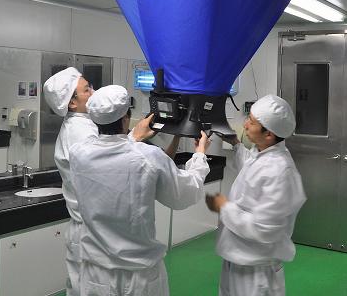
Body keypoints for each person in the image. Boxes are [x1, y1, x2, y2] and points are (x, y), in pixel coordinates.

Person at [69, 85, 211, 296]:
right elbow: (184, 194)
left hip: (95, 274)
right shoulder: (148, 157)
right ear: (126, 118)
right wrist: (199, 156)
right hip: (138, 277)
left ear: (95, 119)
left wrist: (133, 136)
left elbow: (112, 151)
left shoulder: (78, 154)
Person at [206, 94, 306, 296]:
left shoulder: (280, 171)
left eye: (251, 122)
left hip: (255, 272)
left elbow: (264, 229)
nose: (245, 124)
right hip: (237, 259)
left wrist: (224, 207)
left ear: (268, 133)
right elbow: (251, 169)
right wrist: (235, 143)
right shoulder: (263, 152)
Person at [43, 67, 97, 296]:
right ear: (72, 103)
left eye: (91, 87)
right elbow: (105, 170)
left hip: (88, 230)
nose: (93, 92)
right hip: (89, 231)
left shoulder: (85, 124)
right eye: (87, 90)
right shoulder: (80, 132)